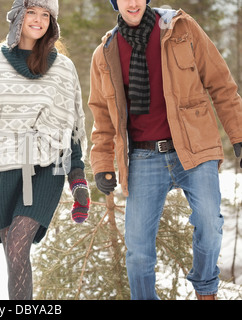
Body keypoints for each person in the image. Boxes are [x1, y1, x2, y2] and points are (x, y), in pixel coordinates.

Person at [88, 0, 242, 300]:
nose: (132, 2)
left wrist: (238, 134)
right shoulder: (105, 52)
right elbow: (101, 115)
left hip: (194, 146)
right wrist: (103, 162)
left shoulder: (181, 28)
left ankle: (206, 291)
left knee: (210, 224)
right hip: (143, 157)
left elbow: (221, 83)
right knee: (138, 250)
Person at [0, 0, 90, 300]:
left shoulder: (63, 68)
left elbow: (70, 127)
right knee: (13, 254)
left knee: (19, 242)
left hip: (47, 168)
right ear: (18, 16)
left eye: (45, 15)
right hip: (1, 166)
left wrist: (78, 180)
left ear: (53, 22)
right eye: (32, 12)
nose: (38, 20)